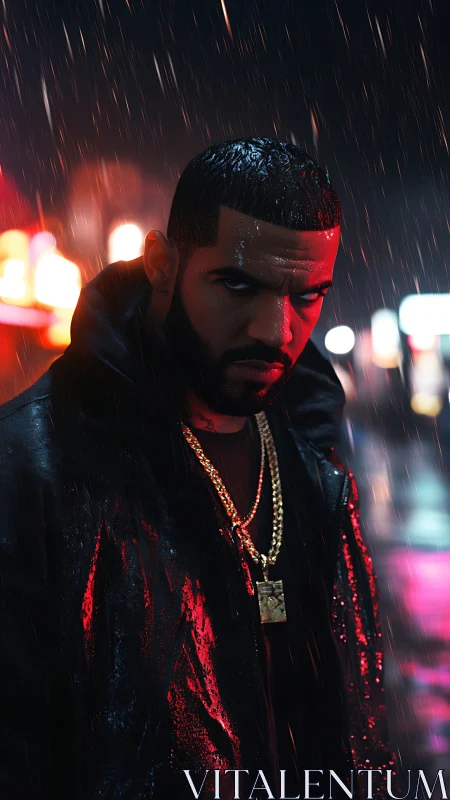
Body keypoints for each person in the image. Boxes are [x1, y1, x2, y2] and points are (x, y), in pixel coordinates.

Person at [0, 138, 396, 799]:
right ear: (162, 263)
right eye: (238, 285)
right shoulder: (34, 468)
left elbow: (355, 727)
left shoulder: (313, 466)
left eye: (308, 296)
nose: (275, 329)